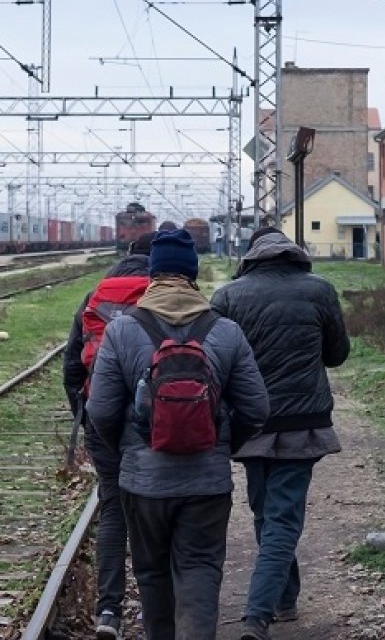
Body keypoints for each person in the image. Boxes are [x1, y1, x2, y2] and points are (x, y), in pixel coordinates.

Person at [87, 229, 270, 640]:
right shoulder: (225, 331)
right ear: (193, 274)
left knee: (152, 574)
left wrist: (129, 450)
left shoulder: (122, 331)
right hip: (206, 480)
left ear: (153, 275)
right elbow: (257, 408)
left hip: (143, 481)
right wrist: (223, 442)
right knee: (201, 569)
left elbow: (99, 409)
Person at [210, 228, 350, 640]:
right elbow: (337, 355)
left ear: (253, 255)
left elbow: (215, 361)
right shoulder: (320, 290)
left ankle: (267, 607)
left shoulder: (228, 296)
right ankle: (266, 608)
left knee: (268, 513)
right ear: (292, 253)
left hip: (249, 422)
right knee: (280, 518)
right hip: (302, 421)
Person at [61, 231, 155, 640]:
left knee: (113, 506)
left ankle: (108, 612)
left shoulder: (95, 295)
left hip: (100, 415)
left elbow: (70, 367)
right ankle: (157, 610)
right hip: (149, 419)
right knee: (155, 507)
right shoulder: (160, 295)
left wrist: (85, 417)